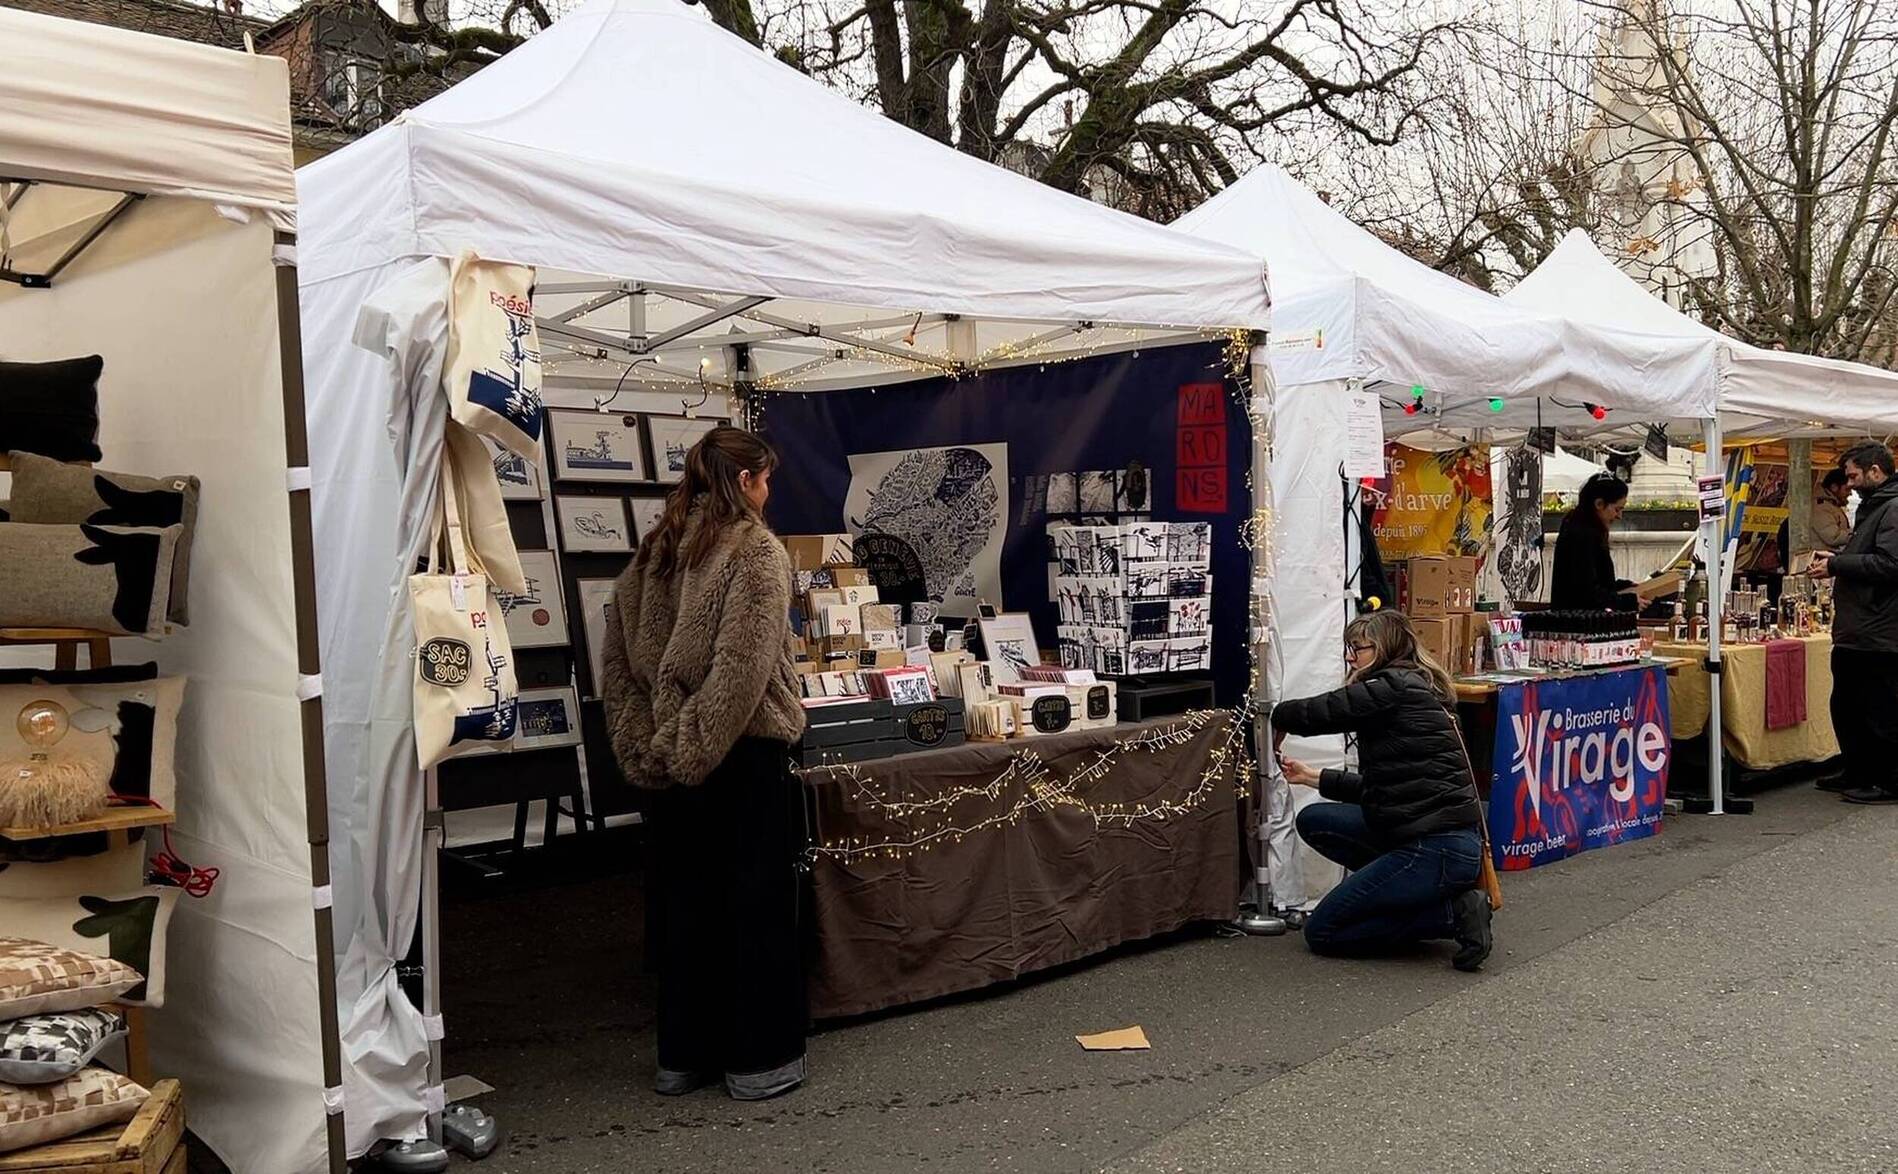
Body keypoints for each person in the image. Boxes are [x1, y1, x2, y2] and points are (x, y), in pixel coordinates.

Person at [601, 425, 810, 1098]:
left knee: (686, 907)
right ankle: (758, 1062)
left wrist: (650, 748)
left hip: (671, 762)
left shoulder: (653, 552)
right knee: (752, 909)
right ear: (746, 481)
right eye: (766, 478)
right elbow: (741, 671)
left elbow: (620, 668)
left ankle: (684, 1055)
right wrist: (690, 748)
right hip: (738, 759)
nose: (769, 490)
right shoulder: (754, 552)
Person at [1274, 610, 1492, 971]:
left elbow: (1323, 711)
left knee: (1324, 931)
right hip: (1426, 835)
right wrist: (1313, 777)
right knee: (1315, 818)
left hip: (1436, 847)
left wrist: (1277, 717)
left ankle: (1453, 913)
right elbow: (1388, 791)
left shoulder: (1392, 687)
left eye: (1357, 649)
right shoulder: (1414, 686)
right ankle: (1406, 894)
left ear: (1384, 648)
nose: (1349, 658)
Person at [1810, 442, 1898, 806]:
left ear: (1874, 471)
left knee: (1880, 708)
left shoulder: (1892, 507)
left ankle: (1889, 780)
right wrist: (1840, 559)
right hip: (1859, 626)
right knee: (1847, 704)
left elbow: (1891, 564)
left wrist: (1837, 565)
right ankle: (1858, 769)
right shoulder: (1874, 506)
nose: (1849, 484)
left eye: (1853, 476)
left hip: (1879, 628)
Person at [1550, 472, 1633, 609]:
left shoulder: (1581, 527)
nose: (1619, 516)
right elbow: (1585, 591)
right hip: (1577, 623)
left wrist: (1623, 586)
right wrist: (1627, 601)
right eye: (1617, 509)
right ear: (1599, 504)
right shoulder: (1582, 534)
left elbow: (1592, 580)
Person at [1811, 469, 1853, 554]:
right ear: (1834, 487)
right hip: (1820, 559)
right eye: (1847, 489)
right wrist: (1856, 534)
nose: (1850, 493)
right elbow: (1833, 537)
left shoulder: (1830, 505)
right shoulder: (1821, 507)